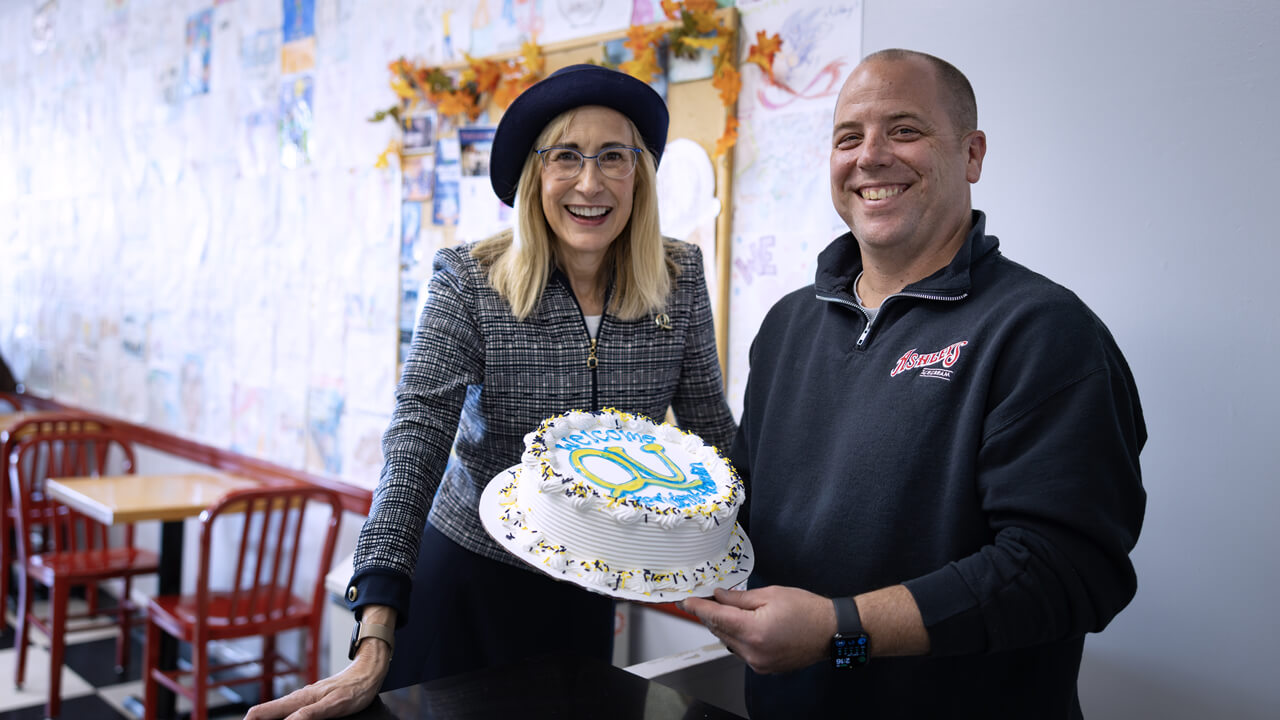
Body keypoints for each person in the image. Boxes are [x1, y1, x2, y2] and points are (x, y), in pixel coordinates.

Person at [248, 65, 735, 719]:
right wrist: (375, 622)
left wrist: (762, 579)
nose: (589, 182)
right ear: (535, 175)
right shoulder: (470, 280)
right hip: (467, 582)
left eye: (613, 157)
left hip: (590, 590)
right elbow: (416, 437)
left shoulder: (679, 278)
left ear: (640, 175)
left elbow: (712, 435)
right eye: (566, 156)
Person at [682, 49, 1147, 718]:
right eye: (849, 137)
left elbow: (1067, 571)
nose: (870, 156)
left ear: (972, 155)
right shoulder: (787, 325)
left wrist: (839, 633)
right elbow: (747, 507)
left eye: (904, 129)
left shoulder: (1044, 331)